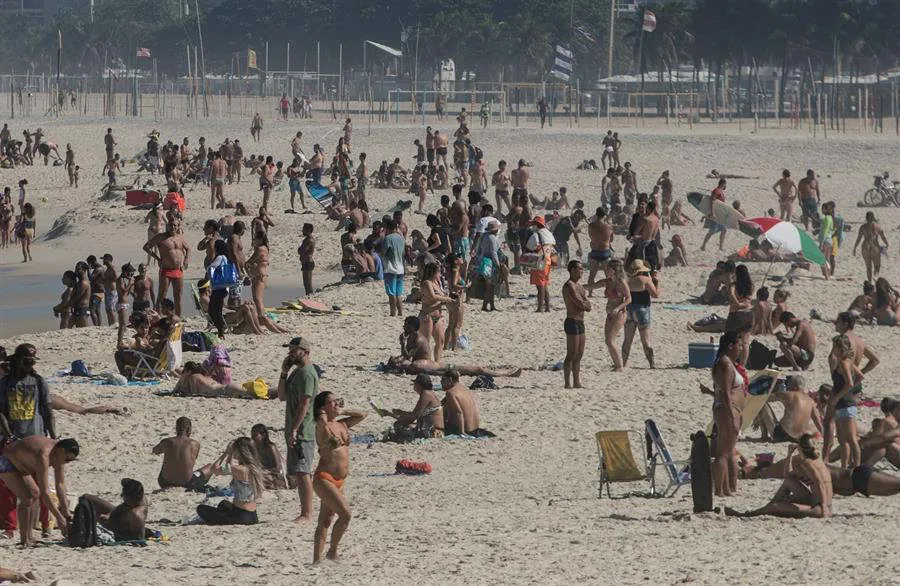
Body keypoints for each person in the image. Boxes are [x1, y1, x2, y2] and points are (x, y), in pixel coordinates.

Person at [312, 391, 366, 563]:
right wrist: (322, 413)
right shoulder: (322, 427)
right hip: (324, 478)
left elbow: (363, 414)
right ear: (323, 407)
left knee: (326, 520)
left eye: (338, 401)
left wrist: (342, 411)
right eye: (333, 402)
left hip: (340, 481)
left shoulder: (342, 424)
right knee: (346, 514)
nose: (337, 404)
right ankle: (332, 551)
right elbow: (321, 422)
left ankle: (317, 560)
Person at [727, 434, 832, 518]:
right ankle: (774, 503)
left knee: (774, 507)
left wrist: (824, 508)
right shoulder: (817, 461)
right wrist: (789, 454)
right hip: (818, 503)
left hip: (818, 508)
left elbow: (820, 483)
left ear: (800, 448)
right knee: (789, 481)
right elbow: (787, 475)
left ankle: (747, 514)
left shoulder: (807, 463)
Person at [0, 435, 79, 546]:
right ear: (62, 451)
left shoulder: (59, 455)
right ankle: (24, 540)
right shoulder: (44, 454)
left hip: (21, 466)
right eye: (67, 459)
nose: (67, 462)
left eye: (70, 461)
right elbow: (45, 491)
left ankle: (29, 537)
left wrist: (66, 514)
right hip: (6, 461)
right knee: (26, 498)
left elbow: (60, 485)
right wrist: (59, 518)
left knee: (35, 493)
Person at [277, 337, 319, 523]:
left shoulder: (308, 373)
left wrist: (294, 429)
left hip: (304, 431)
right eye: (290, 351)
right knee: (299, 473)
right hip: (294, 430)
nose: (291, 354)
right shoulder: (297, 372)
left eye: (295, 351)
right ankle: (305, 512)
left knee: (303, 473)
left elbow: (305, 403)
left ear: (305, 352)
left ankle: (307, 514)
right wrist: (284, 372)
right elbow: (281, 396)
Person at [195, 437, 264, 525]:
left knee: (201, 509)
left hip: (241, 516)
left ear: (240, 452)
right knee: (223, 504)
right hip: (252, 515)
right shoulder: (255, 468)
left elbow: (214, 468)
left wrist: (227, 452)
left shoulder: (239, 469)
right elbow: (229, 466)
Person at [711, 331, 746, 497]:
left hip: (729, 409)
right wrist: (732, 415)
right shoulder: (725, 363)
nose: (741, 348)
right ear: (731, 346)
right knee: (723, 453)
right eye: (739, 345)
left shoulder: (725, 362)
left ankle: (726, 489)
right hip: (727, 410)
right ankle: (719, 490)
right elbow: (725, 392)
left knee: (728, 451)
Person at [824, 335, 863, 470]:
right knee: (842, 440)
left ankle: (857, 468)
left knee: (851, 439)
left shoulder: (845, 363)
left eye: (834, 346)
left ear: (839, 347)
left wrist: (839, 396)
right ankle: (844, 467)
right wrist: (847, 392)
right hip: (842, 404)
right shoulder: (846, 361)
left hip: (845, 404)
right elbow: (860, 377)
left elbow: (850, 383)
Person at [143, 217, 189, 317]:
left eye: (175, 225)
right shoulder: (161, 237)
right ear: (167, 226)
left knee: (178, 295)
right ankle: (158, 316)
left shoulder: (180, 238)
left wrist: (186, 260)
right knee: (162, 294)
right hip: (166, 270)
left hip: (178, 270)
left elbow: (188, 248)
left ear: (178, 226)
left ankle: (178, 317)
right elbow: (146, 247)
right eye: (170, 225)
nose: (172, 227)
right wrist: (158, 259)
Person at [592, 259, 630, 372]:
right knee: (607, 341)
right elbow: (592, 286)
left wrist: (617, 308)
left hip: (619, 313)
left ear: (614, 270)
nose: (606, 270)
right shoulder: (607, 281)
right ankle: (616, 364)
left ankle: (619, 366)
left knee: (610, 340)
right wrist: (576, 285)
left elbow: (629, 299)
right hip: (609, 313)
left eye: (608, 269)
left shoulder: (621, 282)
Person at [621, 260, 660, 368]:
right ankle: (652, 364)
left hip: (629, 309)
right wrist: (657, 282)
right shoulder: (645, 279)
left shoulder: (627, 280)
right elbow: (656, 294)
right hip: (642, 310)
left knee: (627, 340)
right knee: (645, 340)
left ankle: (623, 363)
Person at [386, 374, 444, 439]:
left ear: (419, 385)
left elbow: (413, 417)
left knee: (399, 425)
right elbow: (414, 414)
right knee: (401, 424)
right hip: (433, 429)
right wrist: (400, 412)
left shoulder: (426, 394)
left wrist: (391, 415)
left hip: (435, 432)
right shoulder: (428, 393)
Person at [561, 260, 590, 388]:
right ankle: (567, 383)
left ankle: (577, 382)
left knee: (579, 354)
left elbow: (587, 305)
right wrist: (584, 304)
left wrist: (585, 304)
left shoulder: (580, 287)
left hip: (580, 321)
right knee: (571, 354)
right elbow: (580, 303)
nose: (582, 271)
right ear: (572, 270)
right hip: (572, 320)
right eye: (579, 269)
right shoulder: (569, 286)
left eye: (582, 269)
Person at [419, 262, 454, 364]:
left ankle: (437, 363)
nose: (440, 274)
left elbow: (441, 297)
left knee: (440, 341)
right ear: (433, 272)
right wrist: (446, 299)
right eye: (439, 272)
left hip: (437, 316)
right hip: (427, 316)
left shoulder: (437, 283)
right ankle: (426, 362)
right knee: (426, 342)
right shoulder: (427, 283)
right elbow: (432, 297)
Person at [152, 416, 200, 489]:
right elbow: (192, 461)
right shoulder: (195, 444)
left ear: (176, 428)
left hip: (165, 482)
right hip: (187, 483)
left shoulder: (167, 441)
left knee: (169, 461)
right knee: (209, 467)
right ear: (189, 429)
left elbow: (155, 451)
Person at [725, 264, 754, 365]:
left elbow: (731, 293)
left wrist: (737, 303)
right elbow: (749, 298)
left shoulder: (734, 285)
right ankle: (742, 366)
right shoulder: (750, 285)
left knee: (731, 340)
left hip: (736, 314)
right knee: (745, 342)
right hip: (749, 314)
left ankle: (731, 362)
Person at [526, 216, 556, 313]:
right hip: (548, 260)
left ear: (537, 225)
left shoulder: (536, 235)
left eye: (533, 224)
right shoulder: (549, 234)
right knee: (544, 284)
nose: (532, 226)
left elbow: (529, 247)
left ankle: (540, 308)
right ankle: (547, 307)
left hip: (539, 261)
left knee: (540, 285)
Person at [251, 424, 287, 490]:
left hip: (277, 474)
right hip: (266, 473)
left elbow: (278, 467)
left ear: (263, 435)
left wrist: (264, 471)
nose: (252, 437)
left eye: (255, 435)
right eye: (252, 435)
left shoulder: (271, 447)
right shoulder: (254, 448)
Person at [586, 207, 613, 295]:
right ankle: (608, 293)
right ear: (605, 215)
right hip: (605, 252)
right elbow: (611, 239)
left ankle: (590, 293)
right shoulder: (609, 226)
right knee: (608, 276)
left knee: (592, 275)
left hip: (595, 251)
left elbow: (590, 236)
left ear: (596, 215)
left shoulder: (591, 226)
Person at [382, 218, 406, 316]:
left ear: (387, 228)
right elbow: (403, 253)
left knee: (391, 293)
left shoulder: (388, 238)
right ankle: (400, 312)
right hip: (400, 268)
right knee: (398, 293)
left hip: (390, 268)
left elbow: (384, 252)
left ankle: (393, 313)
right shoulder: (401, 238)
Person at [245, 230, 270, 318]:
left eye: (255, 239)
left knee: (257, 299)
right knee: (259, 299)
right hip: (262, 275)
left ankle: (261, 317)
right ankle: (261, 316)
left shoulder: (260, 249)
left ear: (260, 239)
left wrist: (248, 273)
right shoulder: (265, 248)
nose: (254, 240)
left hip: (259, 275)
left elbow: (248, 262)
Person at [700, 178, 728, 252]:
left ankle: (721, 247)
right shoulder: (716, 191)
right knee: (712, 231)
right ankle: (703, 245)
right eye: (725, 184)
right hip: (715, 214)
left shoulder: (720, 191)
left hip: (720, 215)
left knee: (724, 229)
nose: (726, 186)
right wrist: (712, 213)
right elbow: (712, 201)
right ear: (723, 184)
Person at [298, 223, 316, 296]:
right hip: (306, 262)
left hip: (308, 262)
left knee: (308, 284)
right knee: (306, 283)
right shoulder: (307, 239)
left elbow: (302, 251)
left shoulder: (309, 240)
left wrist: (299, 250)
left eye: (304, 229)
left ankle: (310, 296)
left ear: (308, 230)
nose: (302, 231)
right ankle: (308, 295)